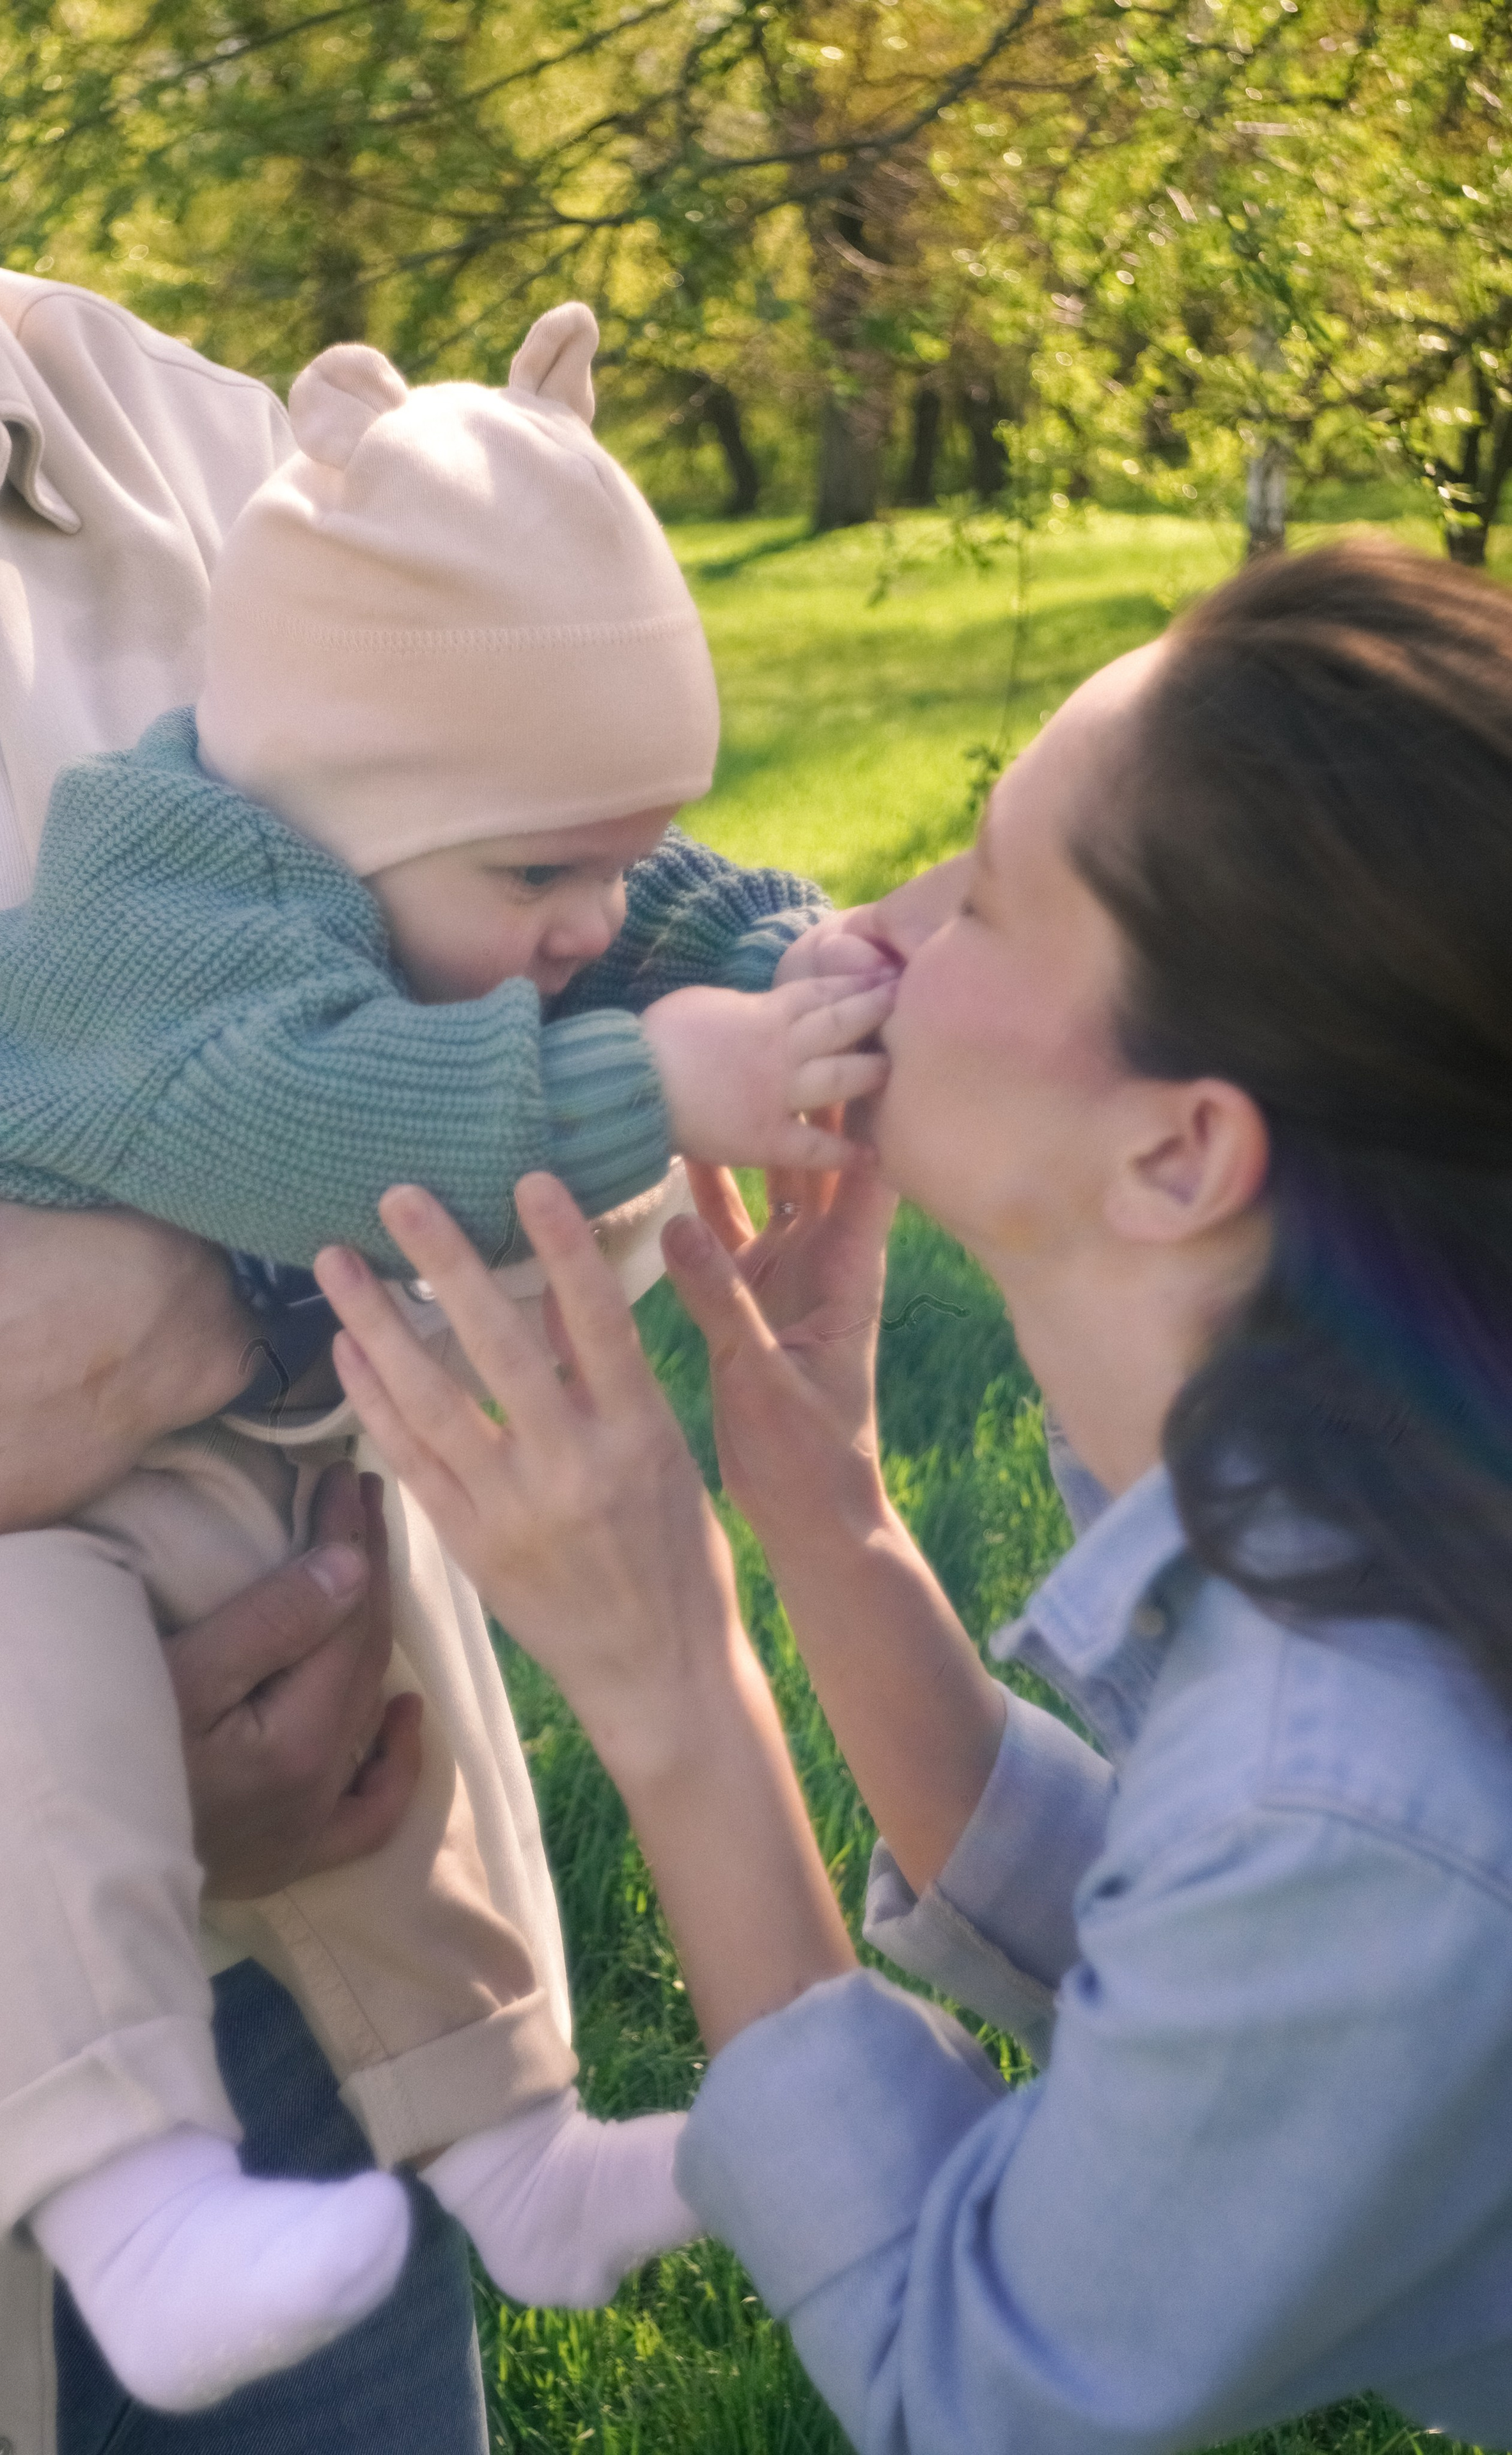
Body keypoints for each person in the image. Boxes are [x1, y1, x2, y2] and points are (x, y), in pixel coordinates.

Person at [317, 538, 1512, 2454]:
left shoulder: (1352, 1766)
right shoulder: (1387, 1551)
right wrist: (836, 1524)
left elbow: (977, 2385)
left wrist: (677, 1688)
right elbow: (1186, 1924)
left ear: (1180, 1151)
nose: (869, 929)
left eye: (992, 901)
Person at [0, 303, 890, 2410]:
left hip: (236, 1530)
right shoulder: (184, 888)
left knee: (354, 1667)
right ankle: (128, 2198)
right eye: (549, 879)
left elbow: (605, 869)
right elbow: (327, 1119)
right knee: (3, 1686)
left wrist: (790, 952)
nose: (594, 924)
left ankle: (504, 2142)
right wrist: (663, 1078)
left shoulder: (252, 522)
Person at [0, 3, 499, 2445]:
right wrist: (39, 1810)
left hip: (310, 2036)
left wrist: (199, 1290)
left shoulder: (218, 463)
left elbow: (608, 1059)